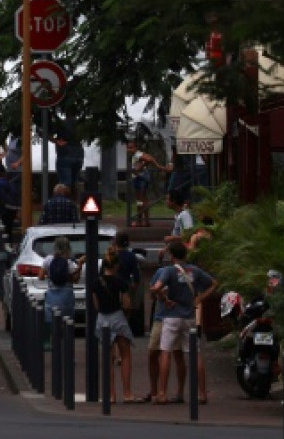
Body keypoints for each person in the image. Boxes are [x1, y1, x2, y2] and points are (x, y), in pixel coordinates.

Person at [150, 242, 217, 404]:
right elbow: (213, 283)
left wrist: (164, 299)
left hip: (171, 316)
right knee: (196, 354)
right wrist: (200, 297)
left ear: (172, 256)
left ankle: (162, 393)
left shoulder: (168, 271)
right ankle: (202, 393)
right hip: (190, 317)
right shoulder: (194, 271)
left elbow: (156, 288)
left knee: (166, 352)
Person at [93, 245, 143, 402]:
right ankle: (127, 393)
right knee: (125, 355)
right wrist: (126, 311)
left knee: (108, 358)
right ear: (116, 265)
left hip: (102, 319)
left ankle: (110, 394)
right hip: (117, 317)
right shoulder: (120, 282)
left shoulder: (95, 283)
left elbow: (96, 305)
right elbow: (127, 303)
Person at [41, 236, 80, 339]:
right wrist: (79, 265)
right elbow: (75, 280)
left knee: (53, 323)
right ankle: (66, 346)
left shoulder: (48, 260)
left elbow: (40, 276)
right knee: (67, 323)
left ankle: (55, 344)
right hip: (66, 296)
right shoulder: (69, 262)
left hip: (51, 296)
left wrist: (50, 275)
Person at [127, 138, 161, 225]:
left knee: (142, 200)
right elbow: (149, 158)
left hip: (140, 178)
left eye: (131, 148)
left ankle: (142, 220)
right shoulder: (135, 155)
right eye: (128, 148)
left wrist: (141, 166)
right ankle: (142, 220)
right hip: (137, 178)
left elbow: (149, 159)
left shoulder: (138, 155)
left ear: (135, 148)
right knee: (140, 200)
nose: (129, 150)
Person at [52, 115, 84, 196]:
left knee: (65, 184)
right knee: (74, 182)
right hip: (78, 154)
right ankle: (75, 202)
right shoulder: (80, 124)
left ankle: (64, 203)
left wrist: (56, 141)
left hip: (65, 154)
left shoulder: (61, 124)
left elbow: (44, 132)